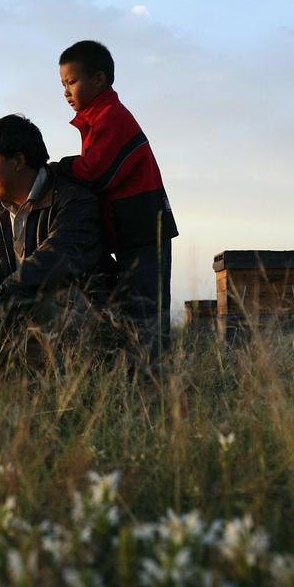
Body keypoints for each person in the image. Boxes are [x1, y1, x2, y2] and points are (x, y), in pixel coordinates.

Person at [0, 114, 107, 367]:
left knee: (56, 300)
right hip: (19, 315)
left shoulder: (73, 201)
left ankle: (71, 379)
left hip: (80, 325)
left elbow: (52, 263)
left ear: (18, 161)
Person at [53, 40, 179, 374]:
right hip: (131, 231)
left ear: (100, 79)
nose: (66, 92)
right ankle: (139, 377)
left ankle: (153, 382)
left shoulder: (111, 117)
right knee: (133, 308)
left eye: (72, 81)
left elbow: (97, 172)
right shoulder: (97, 119)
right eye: (63, 84)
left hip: (145, 229)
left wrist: (59, 167)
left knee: (146, 310)